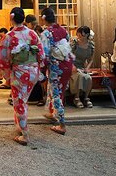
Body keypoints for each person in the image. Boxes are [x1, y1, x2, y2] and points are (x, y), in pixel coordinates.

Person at [0, 7, 45, 145]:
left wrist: (6, 74)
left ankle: (25, 134)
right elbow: (41, 54)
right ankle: (19, 125)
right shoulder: (32, 34)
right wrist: (39, 67)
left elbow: (4, 58)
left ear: (11, 18)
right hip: (33, 71)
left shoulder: (9, 36)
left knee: (19, 101)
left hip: (19, 71)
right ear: (23, 18)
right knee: (22, 99)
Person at [40, 7, 74, 135]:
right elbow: (68, 46)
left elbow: (45, 54)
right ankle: (53, 113)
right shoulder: (63, 30)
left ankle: (62, 124)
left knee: (56, 93)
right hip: (67, 63)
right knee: (58, 91)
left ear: (44, 18)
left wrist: (42, 70)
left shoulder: (46, 33)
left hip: (56, 66)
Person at [70, 26, 95, 108]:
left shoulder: (91, 45)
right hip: (72, 66)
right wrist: (73, 67)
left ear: (87, 34)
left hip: (82, 67)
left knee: (88, 78)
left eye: (81, 34)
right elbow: (68, 57)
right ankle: (76, 98)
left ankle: (86, 98)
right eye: (78, 34)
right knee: (79, 76)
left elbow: (91, 59)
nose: (79, 35)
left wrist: (87, 68)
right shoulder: (74, 43)